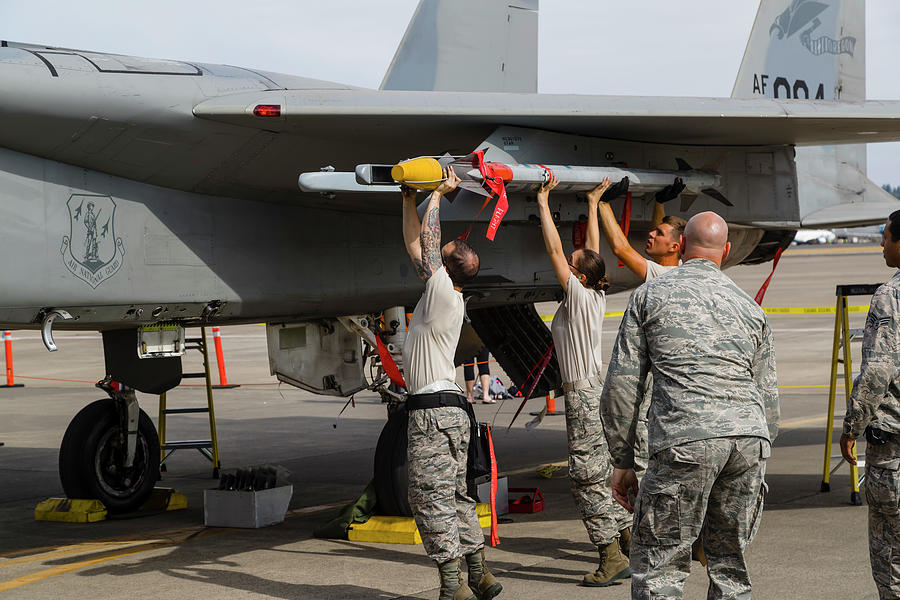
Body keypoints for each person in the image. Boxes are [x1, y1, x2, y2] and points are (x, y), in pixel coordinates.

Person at [601, 211, 779, 599]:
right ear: (727, 250)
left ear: (681, 247)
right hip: (748, 441)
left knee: (661, 569)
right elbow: (769, 400)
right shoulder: (749, 307)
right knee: (730, 566)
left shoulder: (650, 296)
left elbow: (621, 386)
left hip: (685, 439)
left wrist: (623, 459)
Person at [400, 167, 502, 600]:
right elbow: (416, 245)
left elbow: (426, 244)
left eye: (443, 253)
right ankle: (479, 573)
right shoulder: (445, 291)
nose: (436, 254)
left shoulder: (442, 289)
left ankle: (451, 586)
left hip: (432, 411)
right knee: (457, 495)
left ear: (449, 266)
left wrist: (438, 195)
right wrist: (409, 198)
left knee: (429, 499)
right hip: (454, 411)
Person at [536, 175, 632, 587]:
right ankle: (629, 541)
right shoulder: (592, 292)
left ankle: (611, 556)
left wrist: (543, 201)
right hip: (596, 389)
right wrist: (592, 204)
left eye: (573, 267)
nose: (568, 265)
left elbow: (556, 249)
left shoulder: (576, 293)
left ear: (578, 276)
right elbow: (589, 252)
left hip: (582, 394)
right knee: (603, 469)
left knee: (586, 475)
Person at [589, 180, 687, 473]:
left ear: (674, 246)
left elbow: (619, 248)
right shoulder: (676, 268)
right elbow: (665, 238)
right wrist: (660, 202)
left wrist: (603, 203)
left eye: (658, 233)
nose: (650, 233)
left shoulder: (660, 275)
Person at [840, 209, 900, 600]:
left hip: (894, 449)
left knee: (891, 552)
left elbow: (877, 372)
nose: (881, 244)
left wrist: (853, 425)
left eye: (886, 237)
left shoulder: (890, 295)